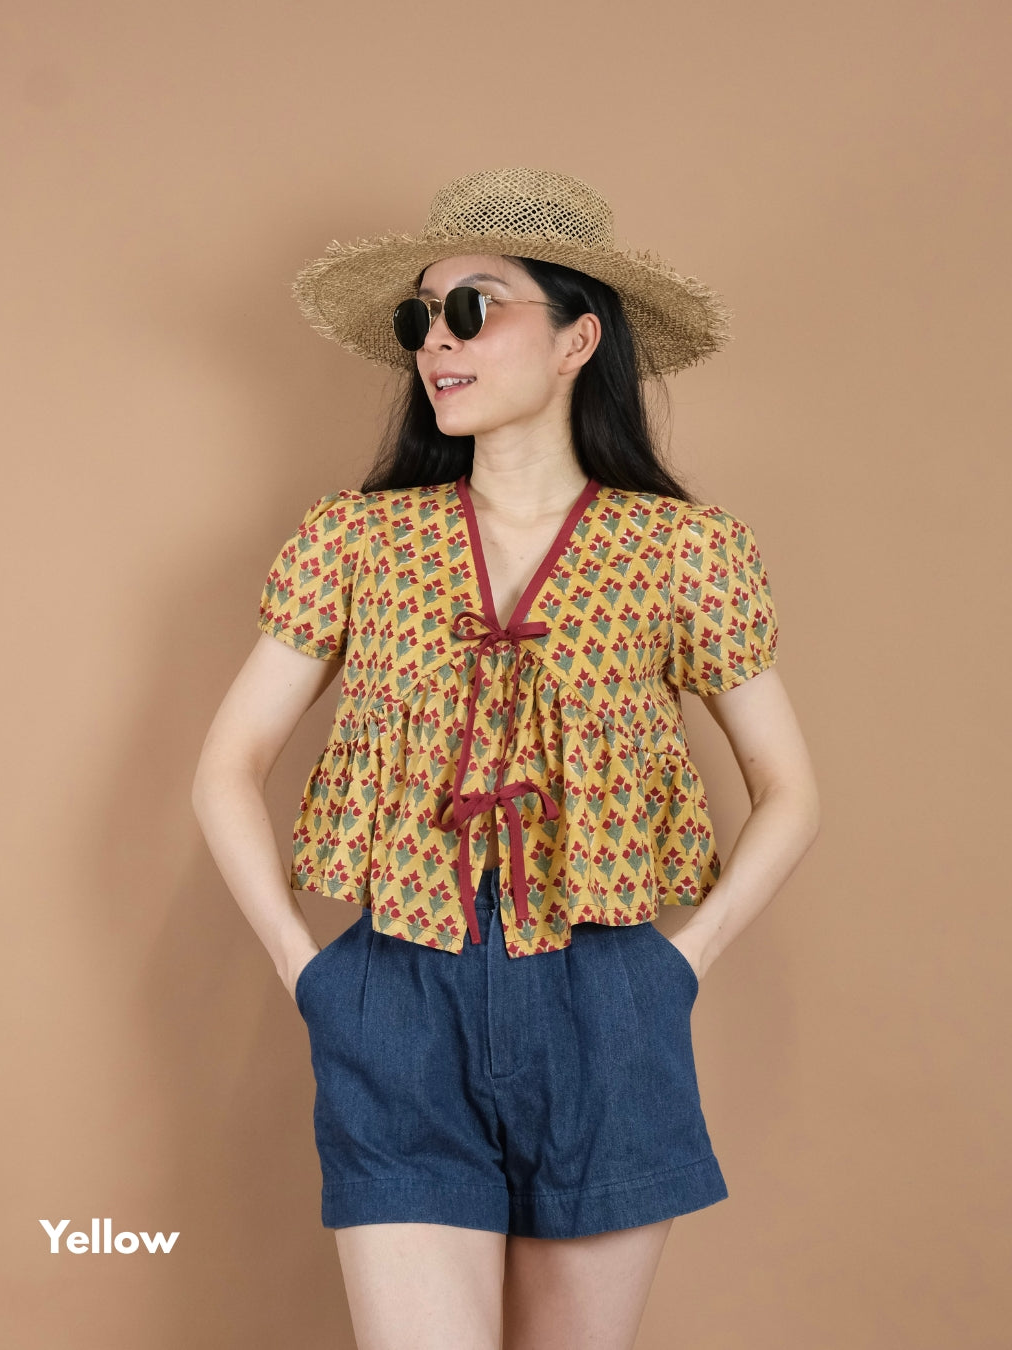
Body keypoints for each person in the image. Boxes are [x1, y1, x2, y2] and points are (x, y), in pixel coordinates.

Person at [192, 167, 820, 1350]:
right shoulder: (358, 539)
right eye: (420, 318)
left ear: (579, 338)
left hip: (608, 1004)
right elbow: (228, 763)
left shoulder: (681, 550)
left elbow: (790, 791)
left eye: (472, 309)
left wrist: (679, 969)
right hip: (398, 997)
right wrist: (307, 972)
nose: (437, 341)